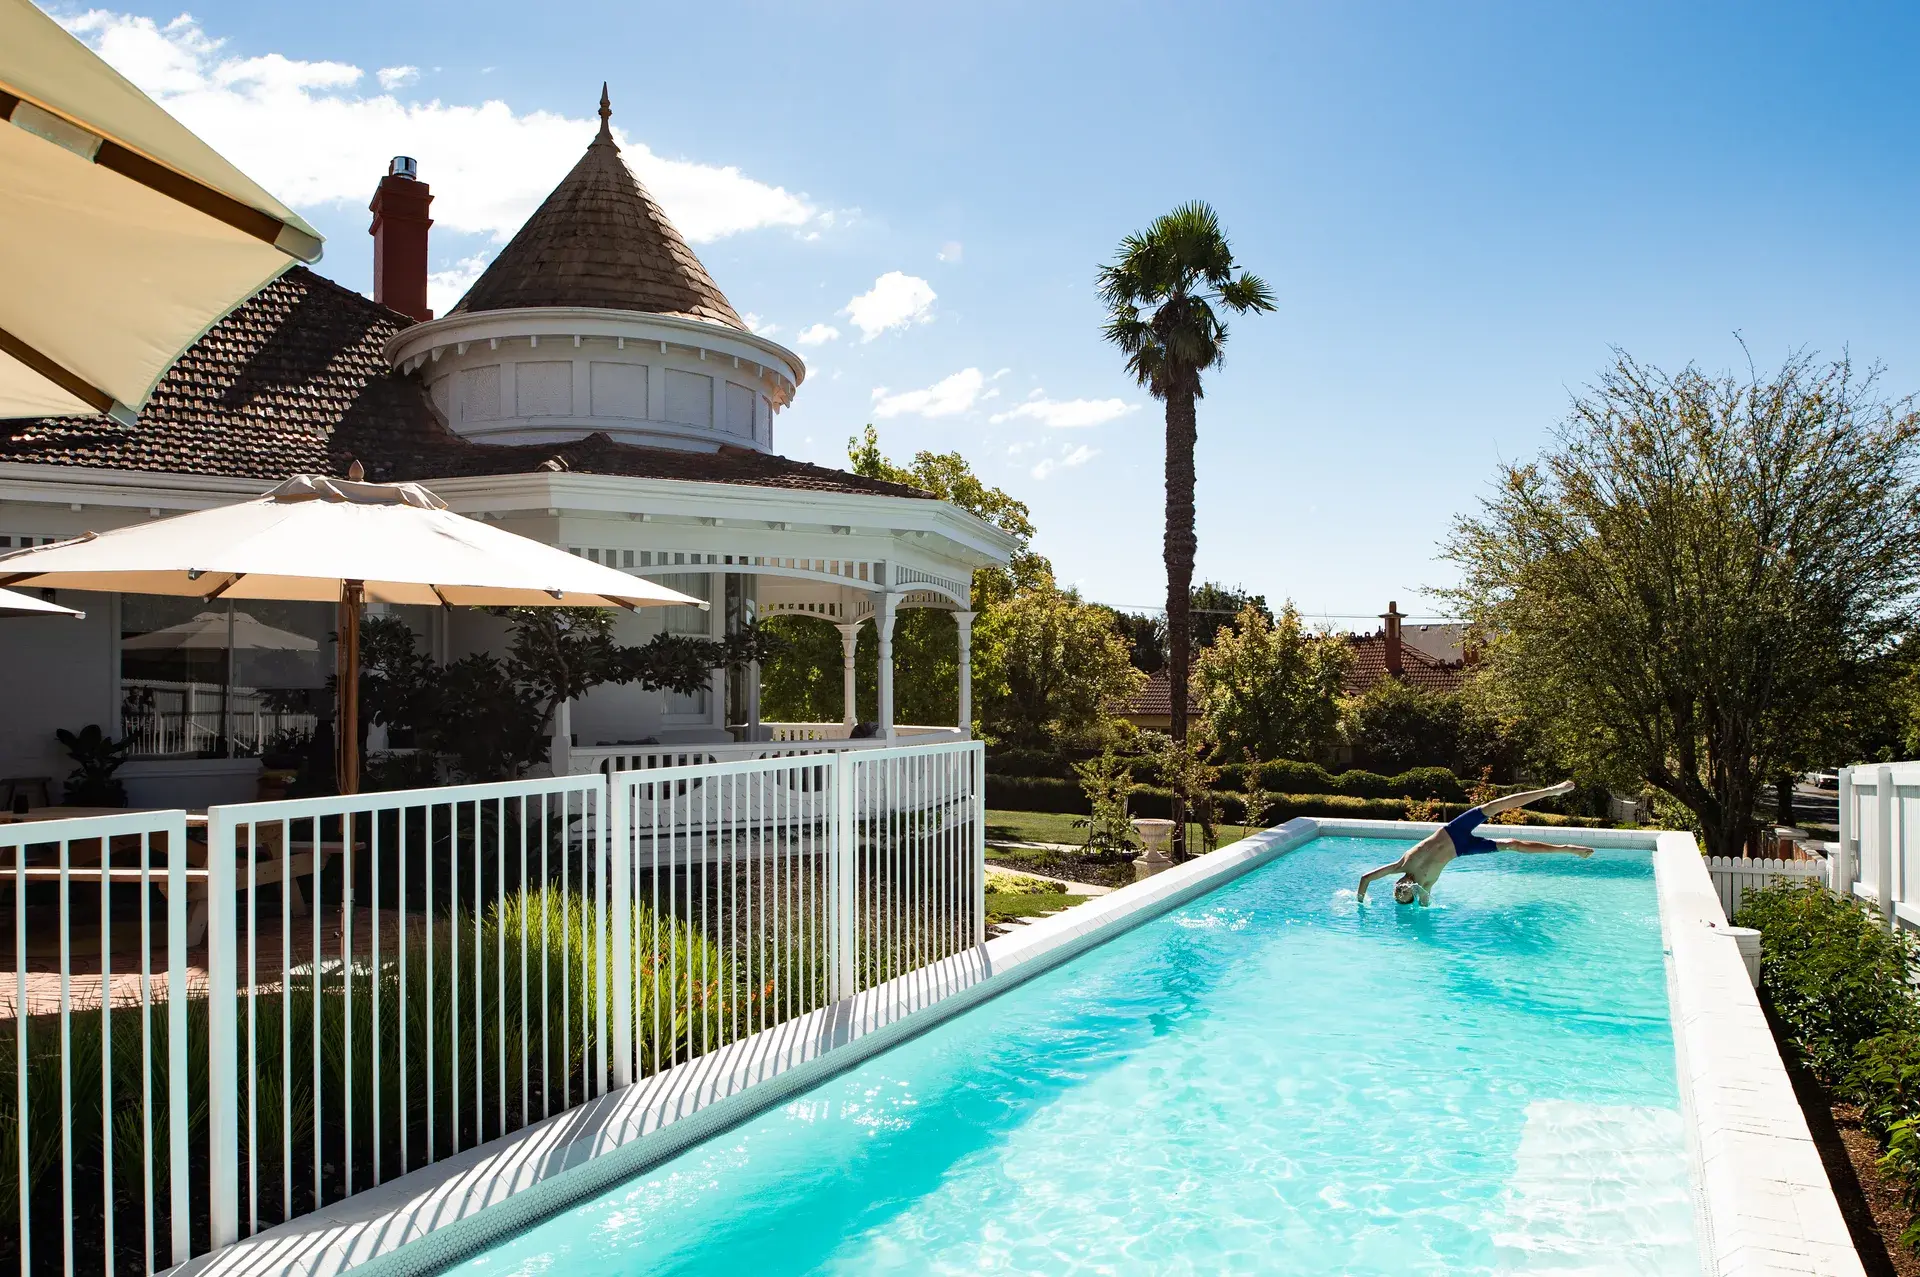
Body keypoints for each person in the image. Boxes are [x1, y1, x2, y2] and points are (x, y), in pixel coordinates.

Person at [1355, 780, 1593, 905]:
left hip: (1451, 831)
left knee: (1492, 807)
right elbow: (1425, 906)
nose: (1402, 886)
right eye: (1405, 892)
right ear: (1412, 893)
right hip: (1461, 849)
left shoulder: (1400, 866)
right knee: (1511, 843)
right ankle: (1569, 849)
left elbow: (1366, 878)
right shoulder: (1425, 886)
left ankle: (1552, 791)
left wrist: (1360, 901)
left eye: (1398, 889)